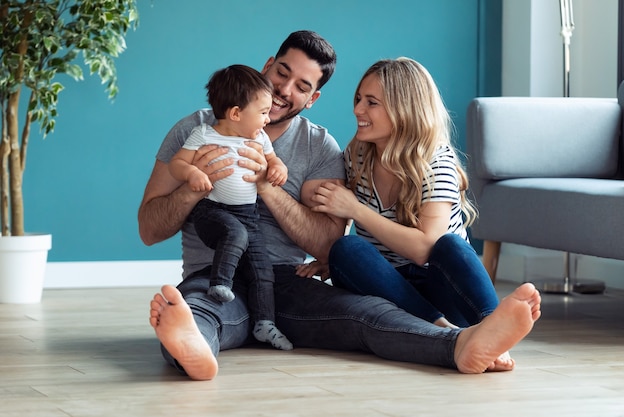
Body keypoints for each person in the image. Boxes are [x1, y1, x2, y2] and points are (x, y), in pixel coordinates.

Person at [141, 30, 541, 381]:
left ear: (313, 98)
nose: (284, 89)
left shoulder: (320, 147)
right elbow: (149, 229)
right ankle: (194, 352)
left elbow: (328, 244)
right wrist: (194, 186)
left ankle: (458, 345)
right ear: (267, 66)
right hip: (215, 276)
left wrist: (268, 187)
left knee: (363, 315)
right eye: (282, 72)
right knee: (196, 315)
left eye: (301, 85)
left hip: (286, 280)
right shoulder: (194, 129)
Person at [307, 57, 499, 330]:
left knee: (451, 245)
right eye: (359, 99)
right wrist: (329, 258)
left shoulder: (436, 161)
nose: (358, 109)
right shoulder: (356, 156)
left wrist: (357, 210)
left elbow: (424, 249)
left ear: (404, 109)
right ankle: (440, 329)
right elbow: (342, 215)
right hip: (392, 288)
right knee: (345, 248)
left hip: (442, 286)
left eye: (371, 102)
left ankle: (493, 328)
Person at [168, 64, 292, 351]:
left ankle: (264, 323)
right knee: (235, 234)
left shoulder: (259, 138)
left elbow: (274, 160)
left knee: (263, 269)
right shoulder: (203, 134)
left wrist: (278, 168)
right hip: (213, 212)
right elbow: (177, 164)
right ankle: (220, 284)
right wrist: (193, 174)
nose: (266, 118)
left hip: (249, 216)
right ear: (236, 114)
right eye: (262, 112)